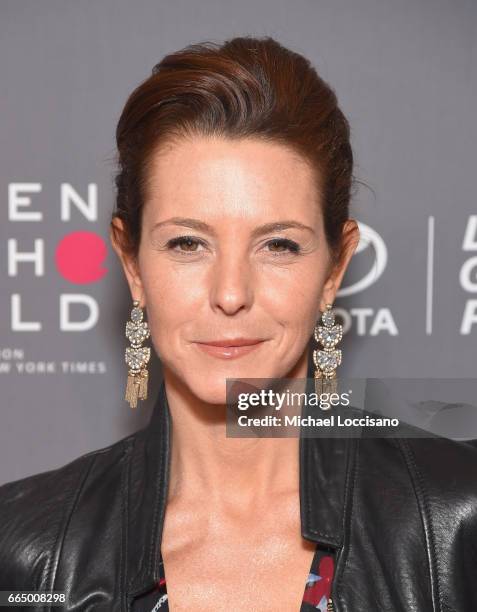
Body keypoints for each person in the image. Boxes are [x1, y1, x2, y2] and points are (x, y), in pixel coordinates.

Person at [1, 35, 477, 612]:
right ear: (132, 264)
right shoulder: (24, 551)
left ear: (335, 266)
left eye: (278, 244)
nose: (230, 294)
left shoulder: (458, 522)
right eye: (187, 243)